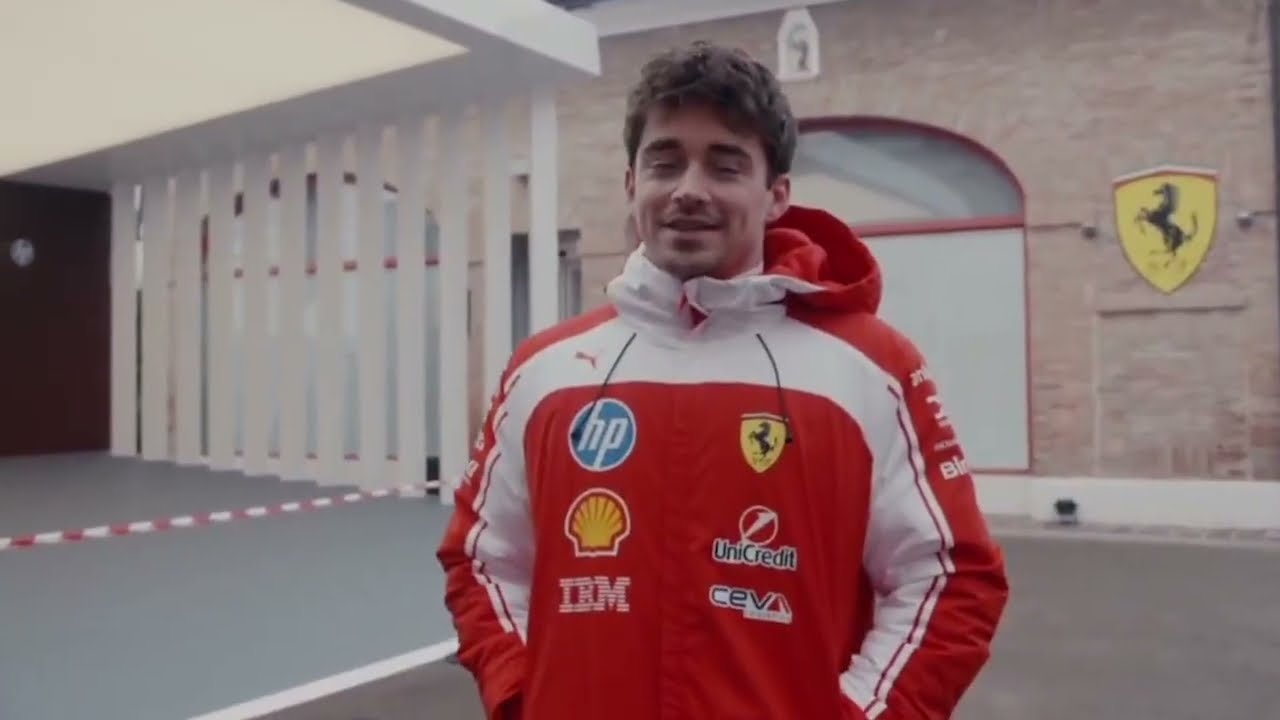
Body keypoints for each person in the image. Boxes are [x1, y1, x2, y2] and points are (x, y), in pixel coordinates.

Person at [437, 40, 1010, 720]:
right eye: (665, 161)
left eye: (725, 164)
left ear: (776, 196)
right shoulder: (545, 369)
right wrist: (523, 695)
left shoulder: (871, 368)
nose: (689, 189)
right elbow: (482, 559)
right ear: (632, 184)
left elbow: (950, 577)